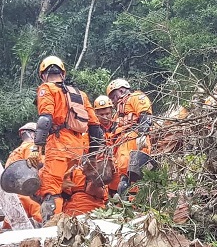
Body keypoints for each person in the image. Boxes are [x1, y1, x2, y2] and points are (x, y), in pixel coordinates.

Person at [27, 56, 104, 222]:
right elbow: (95, 129)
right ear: (63, 73)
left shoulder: (47, 89)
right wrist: (91, 156)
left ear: (43, 75)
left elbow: (45, 120)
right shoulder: (80, 95)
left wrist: (36, 147)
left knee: (50, 187)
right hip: (78, 150)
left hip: (58, 144)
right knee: (67, 187)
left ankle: (51, 232)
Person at [106, 78, 153, 198]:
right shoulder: (118, 113)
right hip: (121, 144)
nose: (112, 101)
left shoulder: (136, 97)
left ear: (121, 91)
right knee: (122, 180)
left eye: (113, 96)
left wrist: (142, 135)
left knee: (133, 176)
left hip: (134, 139)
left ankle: (134, 204)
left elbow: (145, 116)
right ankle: (124, 206)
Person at [4, 122, 42, 227]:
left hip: (12, 196)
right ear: (33, 135)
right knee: (42, 217)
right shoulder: (30, 148)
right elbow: (37, 166)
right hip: (26, 195)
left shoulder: (15, 152)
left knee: (13, 223)